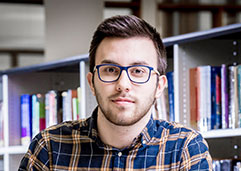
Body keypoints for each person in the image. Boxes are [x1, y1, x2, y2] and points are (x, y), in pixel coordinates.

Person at [19, 15, 212, 170]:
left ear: (159, 86)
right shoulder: (50, 147)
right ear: (91, 82)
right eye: (110, 70)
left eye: (138, 71)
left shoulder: (185, 148)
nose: (123, 85)